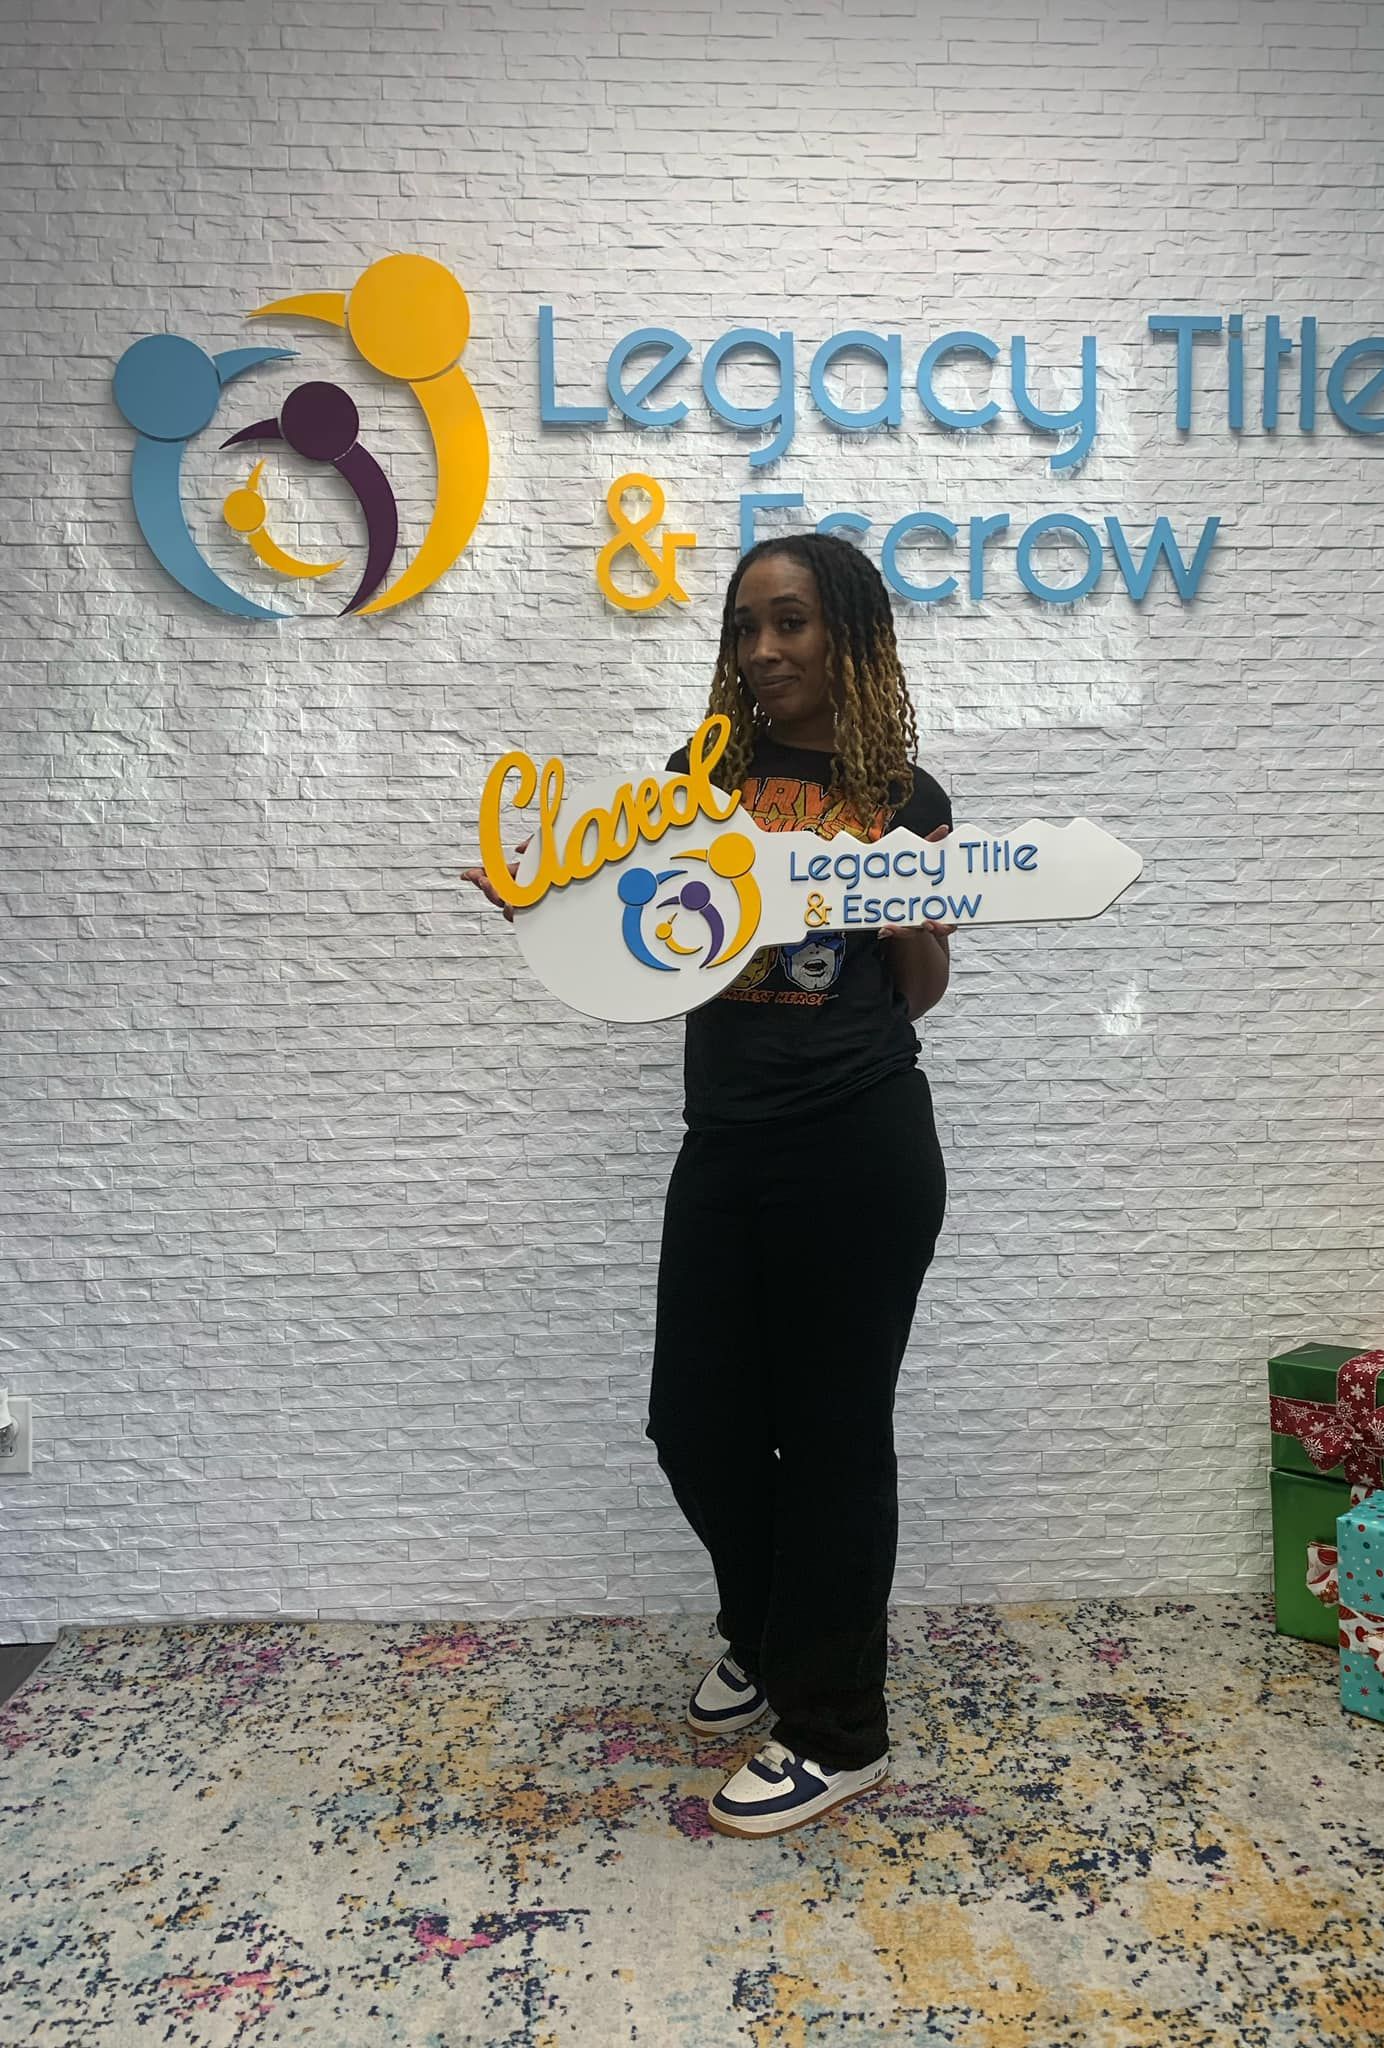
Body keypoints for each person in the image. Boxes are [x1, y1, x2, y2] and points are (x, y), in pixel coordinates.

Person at [462, 530, 954, 1838]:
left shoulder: (903, 793)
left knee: (834, 1437)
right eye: (746, 627)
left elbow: (919, 994)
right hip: (724, 1140)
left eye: (791, 622)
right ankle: (772, 1628)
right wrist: (547, 910)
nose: (764, 649)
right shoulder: (705, 775)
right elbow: (645, 936)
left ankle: (838, 1731)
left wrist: (907, 906)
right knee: (694, 1421)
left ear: (849, 634)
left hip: (859, 1141)